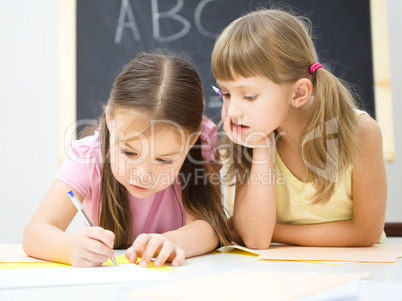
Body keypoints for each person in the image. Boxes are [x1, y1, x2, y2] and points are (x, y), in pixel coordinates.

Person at [23, 52, 231, 267]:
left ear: (191, 140)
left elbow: (210, 226)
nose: (143, 174)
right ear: (110, 121)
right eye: (129, 153)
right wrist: (69, 247)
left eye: (164, 160)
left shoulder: (202, 146)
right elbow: (35, 232)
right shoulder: (88, 156)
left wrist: (174, 241)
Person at [211, 9, 387, 249]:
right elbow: (255, 238)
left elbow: (365, 232)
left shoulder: (360, 131)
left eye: (249, 96)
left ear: (299, 93)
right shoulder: (251, 135)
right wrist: (262, 150)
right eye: (226, 94)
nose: (231, 112)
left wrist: (275, 230)